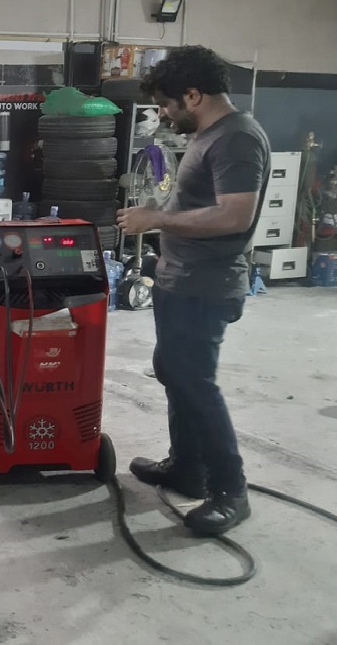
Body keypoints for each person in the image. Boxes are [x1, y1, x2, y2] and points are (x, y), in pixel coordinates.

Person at [116, 45, 270, 536]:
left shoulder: (237, 138)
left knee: (196, 386)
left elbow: (235, 215)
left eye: (166, 104)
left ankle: (230, 491)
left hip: (205, 286)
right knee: (175, 373)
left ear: (194, 95)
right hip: (179, 279)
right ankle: (187, 467)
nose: (164, 114)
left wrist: (156, 219)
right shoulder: (210, 136)